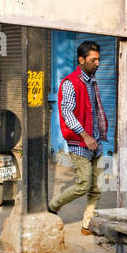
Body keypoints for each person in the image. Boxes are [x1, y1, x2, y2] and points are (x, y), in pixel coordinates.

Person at [49, 40, 108, 234]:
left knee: (95, 188)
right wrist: (85, 136)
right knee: (84, 184)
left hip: (96, 142)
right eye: (93, 60)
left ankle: (87, 225)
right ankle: (53, 206)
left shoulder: (92, 81)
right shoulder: (70, 83)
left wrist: (97, 136)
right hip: (80, 142)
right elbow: (67, 112)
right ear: (81, 60)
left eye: (98, 59)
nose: (97, 63)